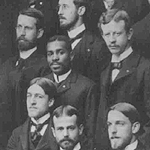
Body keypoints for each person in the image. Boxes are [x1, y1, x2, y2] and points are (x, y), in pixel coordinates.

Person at [95, 9, 150, 150]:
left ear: (129, 33)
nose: (112, 40)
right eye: (107, 34)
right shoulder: (104, 72)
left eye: (117, 33)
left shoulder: (144, 68)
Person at [0, 8, 48, 146]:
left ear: (39, 33)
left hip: (26, 140)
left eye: (28, 28)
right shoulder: (6, 65)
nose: (22, 33)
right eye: (19, 27)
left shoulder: (43, 66)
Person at [44, 35, 97, 149]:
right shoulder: (41, 85)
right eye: (50, 54)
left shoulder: (86, 86)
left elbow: (90, 131)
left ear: (71, 55)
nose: (55, 58)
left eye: (60, 52)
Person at [57, 0, 111, 83]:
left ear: (81, 11)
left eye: (65, 7)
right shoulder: (56, 43)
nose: (59, 12)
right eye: (59, 7)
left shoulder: (97, 46)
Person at [7, 77, 58, 150]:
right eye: (29, 95)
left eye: (39, 96)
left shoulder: (61, 131)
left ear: (50, 102)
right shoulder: (16, 134)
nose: (32, 101)